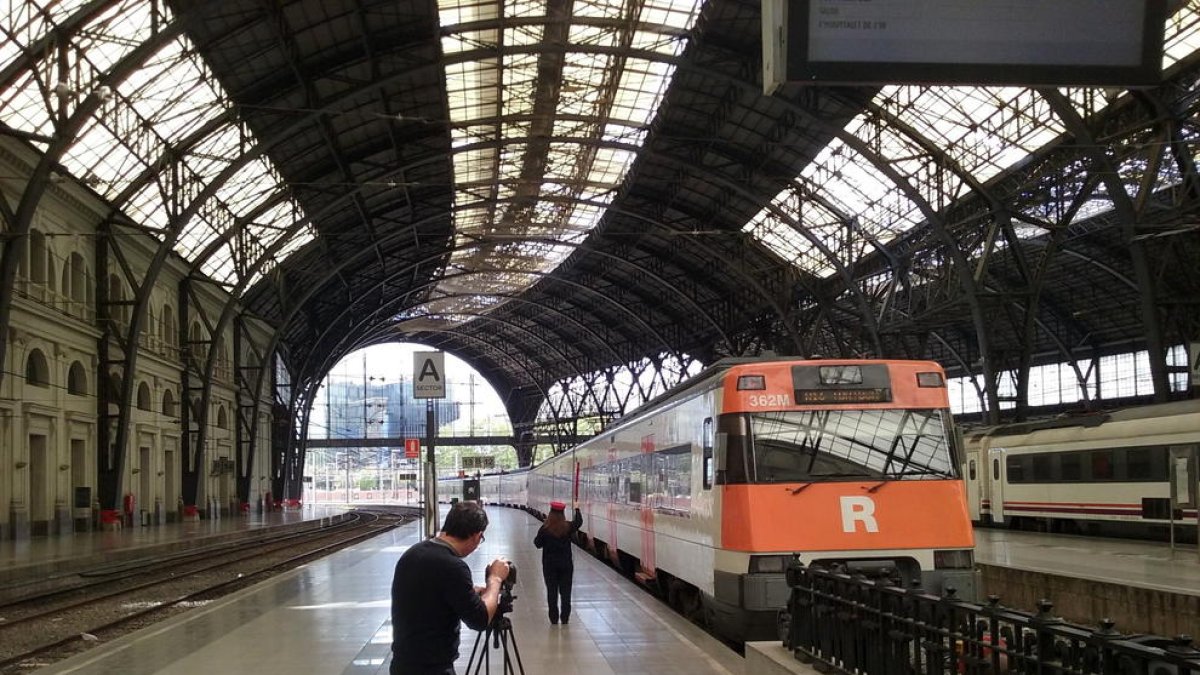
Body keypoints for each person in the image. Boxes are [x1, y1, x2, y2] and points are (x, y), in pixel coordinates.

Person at [391, 501, 511, 674]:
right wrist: (496, 578)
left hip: (402, 664)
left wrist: (469, 593)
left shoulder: (412, 553)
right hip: (433, 668)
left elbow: (430, 596)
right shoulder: (453, 566)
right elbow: (480, 619)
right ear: (477, 536)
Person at [533, 500, 584, 625]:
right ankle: (565, 618)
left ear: (550, 513)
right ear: (563, 513)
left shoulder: (545, 528)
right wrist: (577, 509)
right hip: (566, 566)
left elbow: (537, 544)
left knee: (552, 592)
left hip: (549, 567)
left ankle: (554, 618)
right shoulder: (567, 527)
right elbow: (579, 522)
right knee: (566, 593)